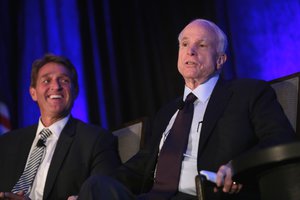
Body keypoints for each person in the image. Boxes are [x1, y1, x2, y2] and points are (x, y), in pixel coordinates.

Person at [77, 18, 296, 200]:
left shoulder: (247, 93)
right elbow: (141, 165)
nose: (190, 51)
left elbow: (280, 138)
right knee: (97, 185)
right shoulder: (167, 112)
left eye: (201, 45)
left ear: (220, 60)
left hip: (207, 195)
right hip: (153, 197)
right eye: (184, 44)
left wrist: (236, 167)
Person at [0, 54, 121, 200]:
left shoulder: (97, 140)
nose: (56, 87)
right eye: (46, 80)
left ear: (75, 91)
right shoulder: (7, 143)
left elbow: (104, 194)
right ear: (33, 93)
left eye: (64, 80)